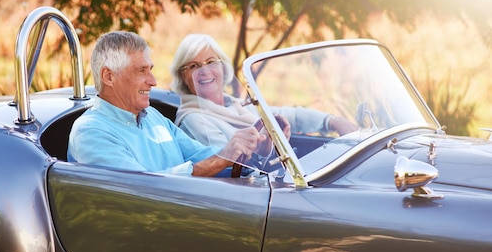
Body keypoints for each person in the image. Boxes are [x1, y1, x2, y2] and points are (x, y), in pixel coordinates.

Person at [67, 31, 261, 177]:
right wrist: (219, 161)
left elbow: (200, 155)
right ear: (109, 76)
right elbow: (143, 188)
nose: (153, 81)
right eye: (141, 71)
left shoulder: (153, 117)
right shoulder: (90, 133)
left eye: (150, 69)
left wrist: (251, 151)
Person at [171, 34, 357, 149]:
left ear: (223, 67)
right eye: (194, 66)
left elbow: (287, 115)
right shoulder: (195, 119)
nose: (204, 71)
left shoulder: (237, 105)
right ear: (183, 76)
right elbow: (229, 164)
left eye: (211, 62)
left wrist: (332, 121)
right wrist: (265, 145)